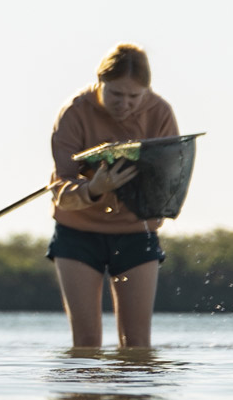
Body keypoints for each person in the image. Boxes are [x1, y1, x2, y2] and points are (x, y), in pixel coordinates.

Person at [47, 43, 179, 349]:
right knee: (86, 342)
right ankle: (83, 395)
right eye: (116, 94)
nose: (125, 104)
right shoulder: (74, 111)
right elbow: (61, 190)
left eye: (134, 96)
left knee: (136, 344)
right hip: (77, 232)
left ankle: (132, 397)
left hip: (136, 233)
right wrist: (94, 189)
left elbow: (169, 179)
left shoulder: (159, 112)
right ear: (99, 82)